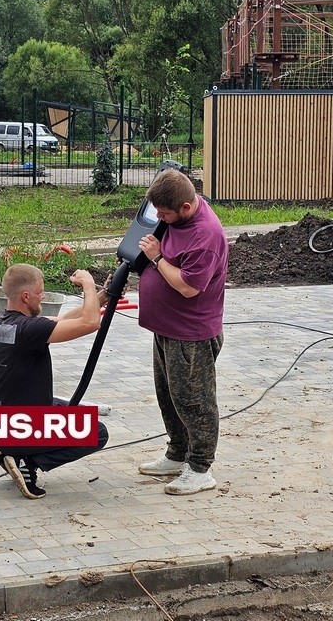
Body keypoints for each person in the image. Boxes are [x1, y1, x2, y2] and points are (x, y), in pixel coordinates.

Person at [135, 169, 228, 495]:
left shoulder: (206, 236)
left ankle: (200, 468)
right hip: (166, 328)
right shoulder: (179, 220)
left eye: (165, 214)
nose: (160, 219)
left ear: (186, 207)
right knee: (169, 397)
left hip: (191, 334)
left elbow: (188, 287)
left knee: (195, 402)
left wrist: (157, 257)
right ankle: (177, 454)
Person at [0, 263, 109, 499]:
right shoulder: (29, 329)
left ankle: (17, 453)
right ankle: (27, 460)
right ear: (26, 296)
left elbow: (64, 320)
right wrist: (88, 283)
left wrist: (102, 296)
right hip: (17, 427)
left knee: (75, 412)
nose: (43, 296)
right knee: (96, 432)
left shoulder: (5, 321)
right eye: (40, 292)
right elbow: (90, 323)